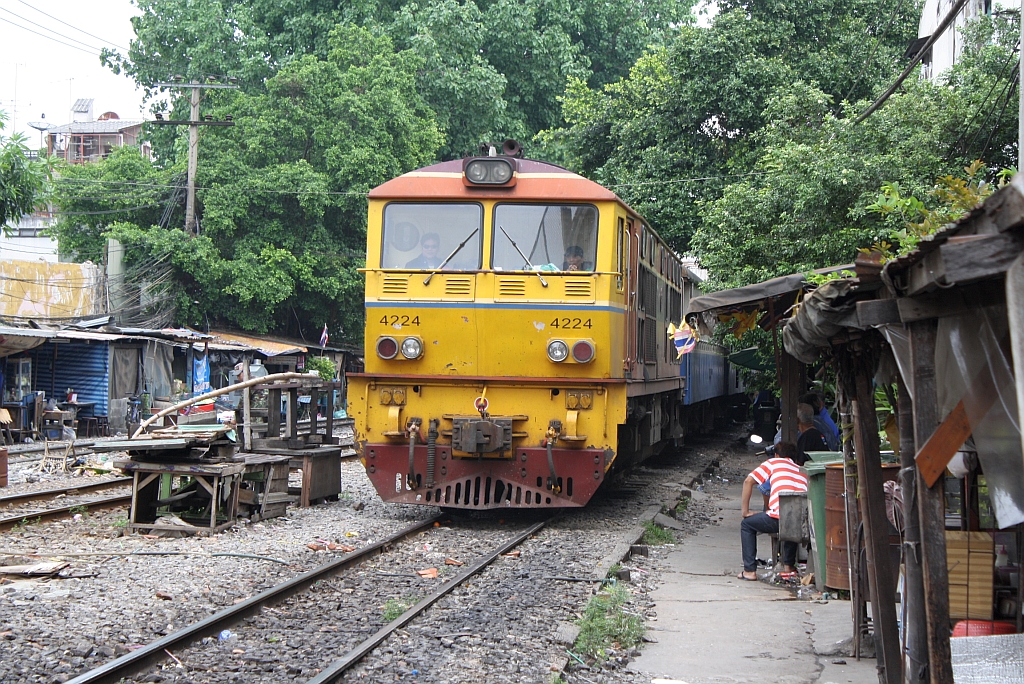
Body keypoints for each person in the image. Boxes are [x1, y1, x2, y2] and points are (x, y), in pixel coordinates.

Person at [738, 441, 809, 581]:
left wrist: (745, 512)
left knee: (747, 525)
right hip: (802, 521)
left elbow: (748, 481)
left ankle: (749, 570)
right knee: (792, 517)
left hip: (779, 518)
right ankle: (788, 566)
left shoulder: (772, 463)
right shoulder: (801, 469)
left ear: (776, 455)